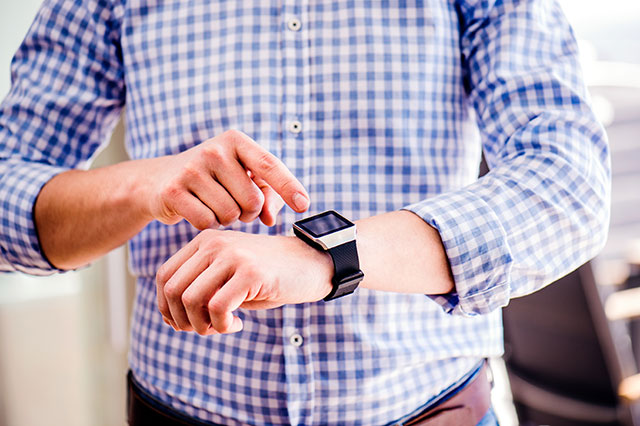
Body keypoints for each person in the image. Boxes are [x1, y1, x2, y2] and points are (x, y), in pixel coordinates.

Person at [0, 0, 610, 425]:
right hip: (174, 410)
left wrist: (324, 257)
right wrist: (141, 183)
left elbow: (570, 185)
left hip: (434, 409)